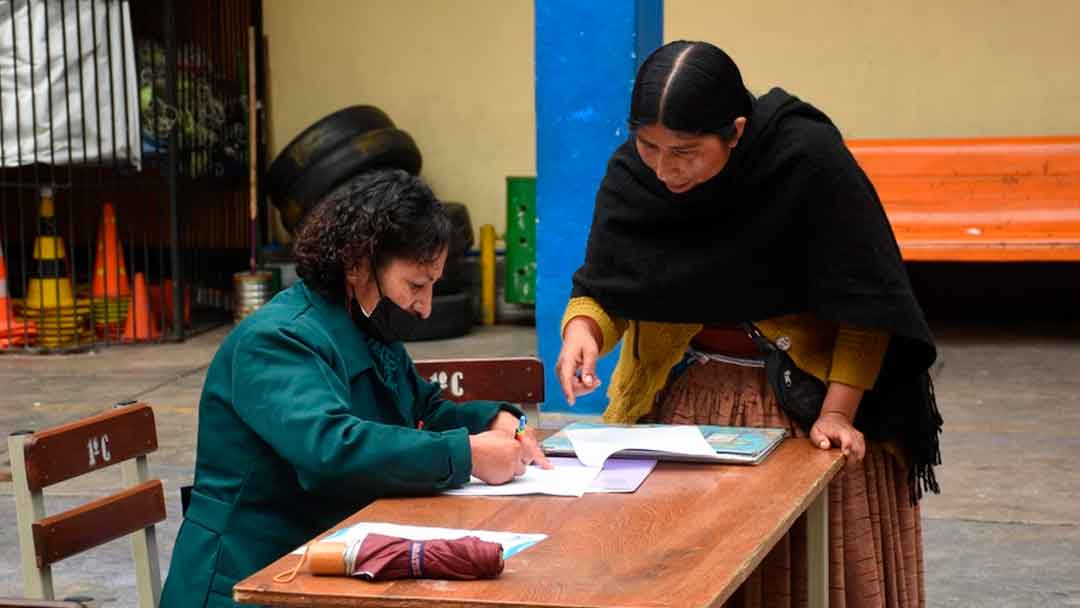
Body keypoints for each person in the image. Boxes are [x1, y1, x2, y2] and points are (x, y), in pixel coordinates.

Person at [557, 41, 942, 607]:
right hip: (683, 407)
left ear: (735, 131)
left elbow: (866, 303)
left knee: (803, 577)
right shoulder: (634, 178)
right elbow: (608, 286)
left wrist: (837, 413)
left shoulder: (806, 161)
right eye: (649, 146)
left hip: (809, 408)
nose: (665, 169)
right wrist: (582, 333)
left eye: (685, 152)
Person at [161, 169, 549, 608]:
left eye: (433, 288)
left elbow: (423, 411)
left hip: (332, 558)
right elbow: (331, 450)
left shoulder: (364, 327)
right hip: (250, 577)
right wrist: (468, 455)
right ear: (357, 262)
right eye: (416, 286)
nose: (424, 309)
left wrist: (494, 418)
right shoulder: (275, 340)